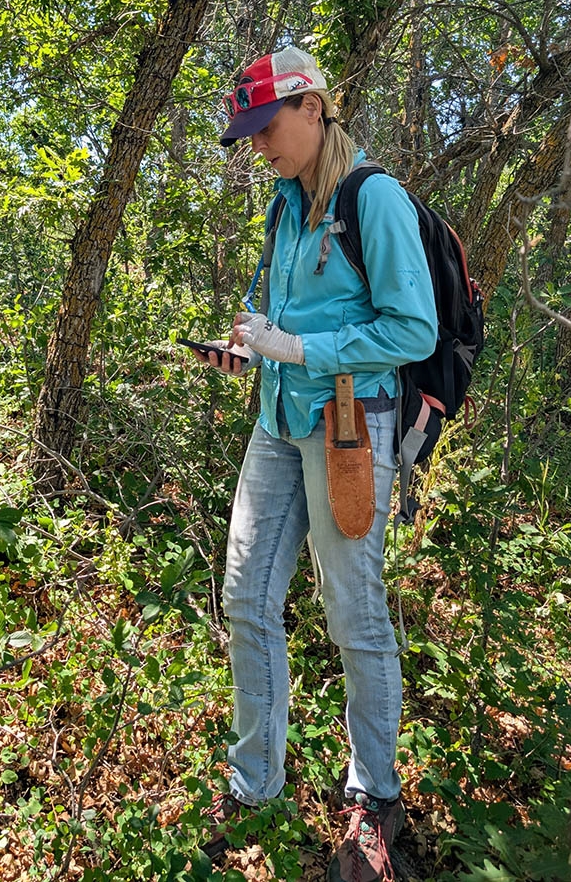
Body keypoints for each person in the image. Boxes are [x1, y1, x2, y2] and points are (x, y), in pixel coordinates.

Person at [187, 46, 438, 882]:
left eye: (267, 129)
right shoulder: (284, 203)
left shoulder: (378, 199)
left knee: (353, 611)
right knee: (247, 595)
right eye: (250, 134)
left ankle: (375, 796)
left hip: (349, 426)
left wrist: (302, 347)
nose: (260, 147)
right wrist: (251, 346)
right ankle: (255, 779)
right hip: (277, 416)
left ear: (314, 108)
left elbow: (415, 331)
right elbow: (278, 312)